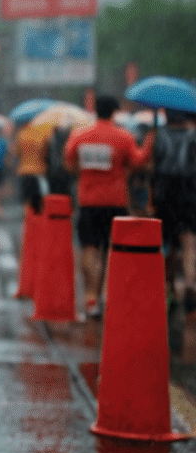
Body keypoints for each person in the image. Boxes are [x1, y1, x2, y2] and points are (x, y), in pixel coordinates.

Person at [64, 95, 154, 319]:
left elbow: (69, 163)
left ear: (95, 110)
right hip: (115, 202)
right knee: (106, 250)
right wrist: (150, 142)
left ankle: (91, 298)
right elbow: (138, 161)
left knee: (89, 247)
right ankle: (100, 296)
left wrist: (85, 174)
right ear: (115, 112)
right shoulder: (123, 137)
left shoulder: (79, 135)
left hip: (88, 201)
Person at [150, 109, 196, 316]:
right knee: (189, 242)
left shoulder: (158, 136)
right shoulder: (193, 136)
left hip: (164, 195)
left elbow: (151, 166)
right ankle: (190, 285)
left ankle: (167, 287)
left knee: (166, 243)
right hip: (189, 194)